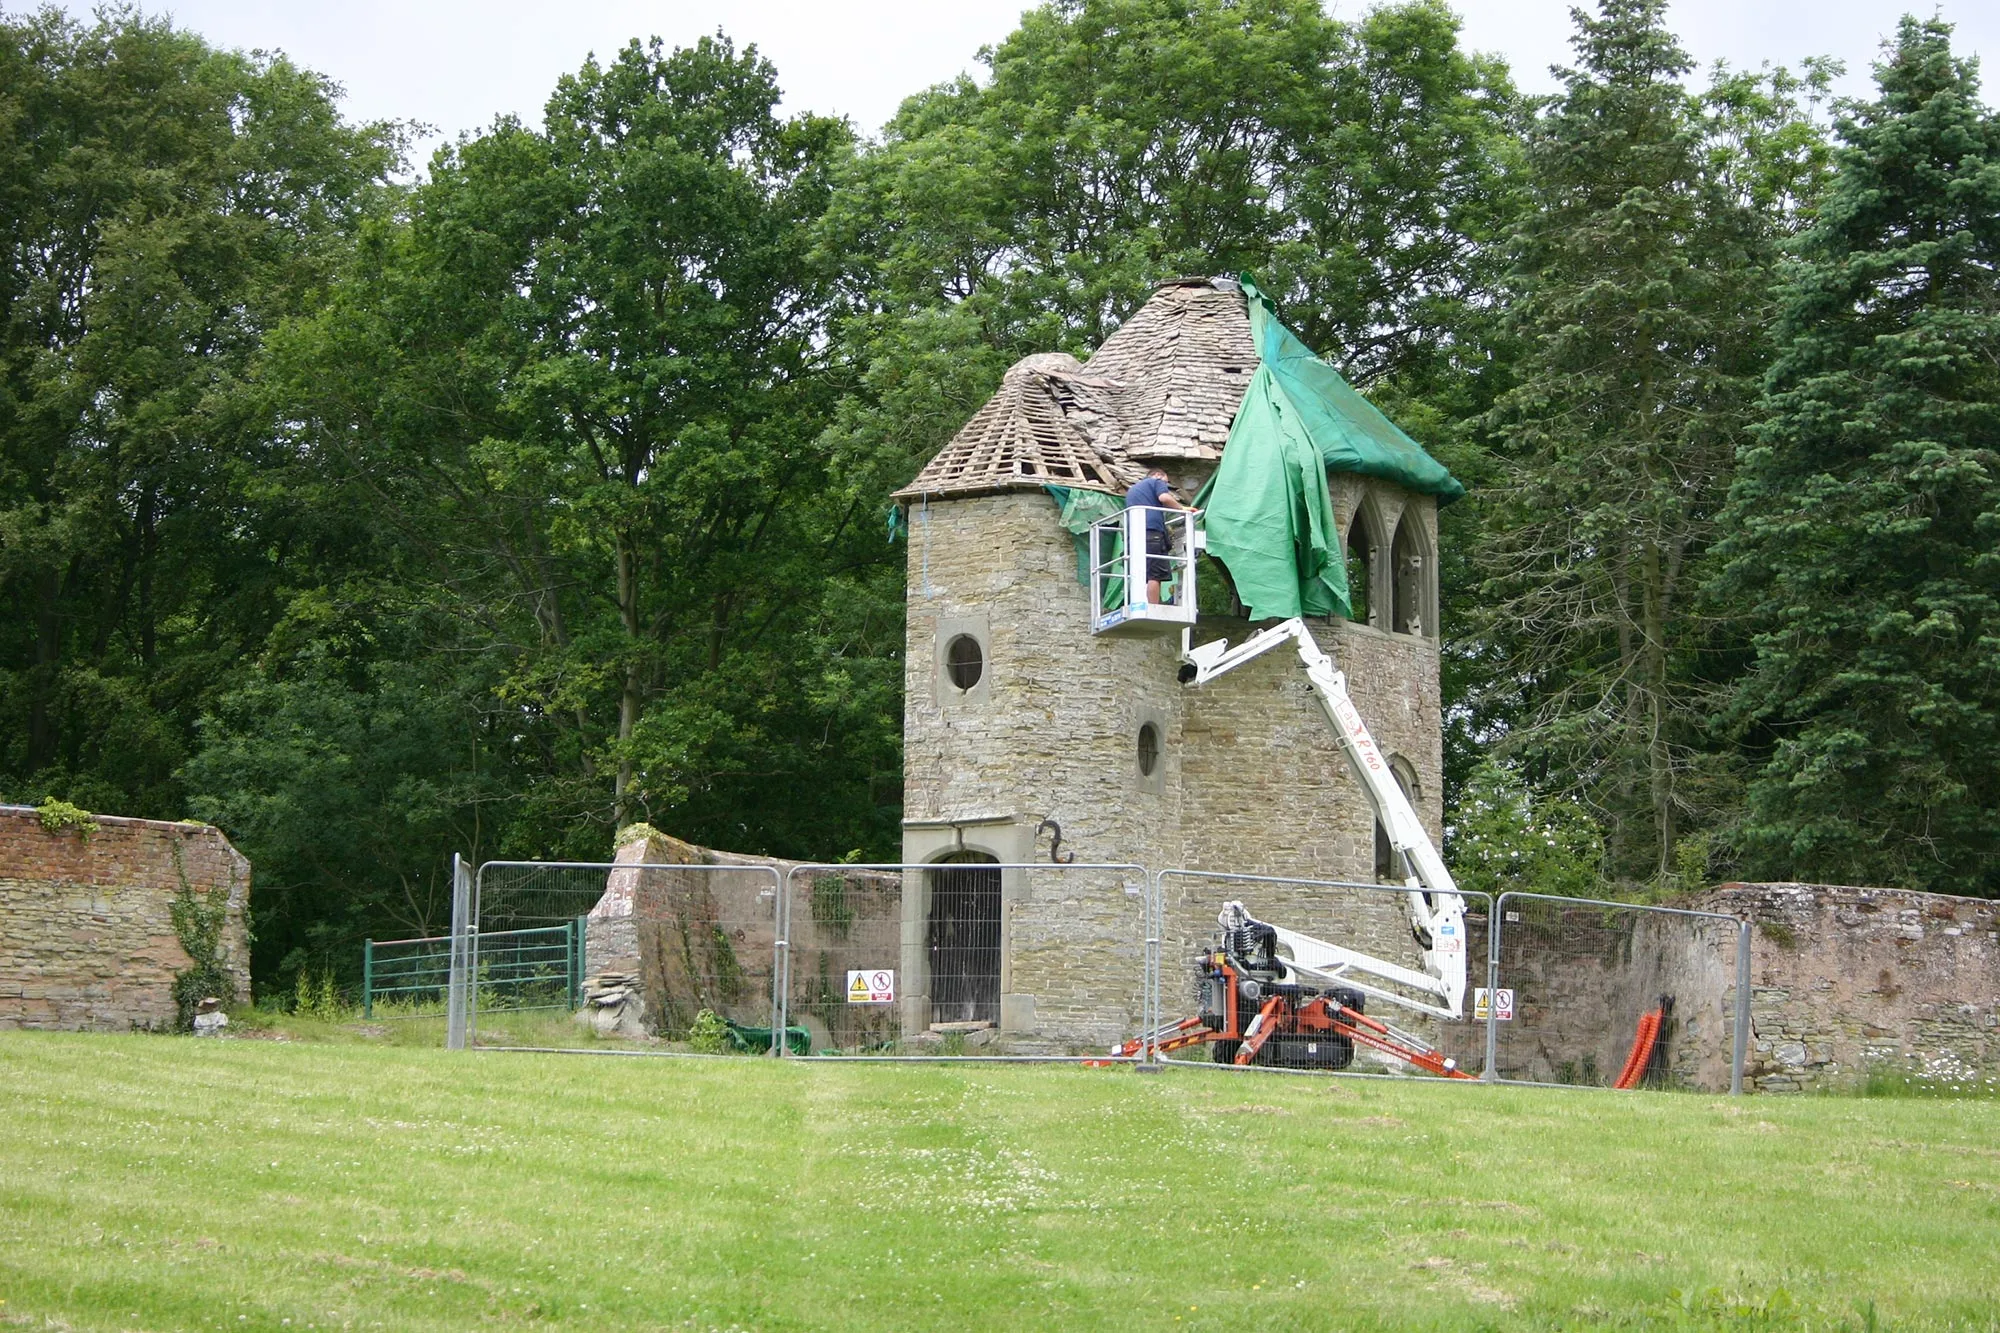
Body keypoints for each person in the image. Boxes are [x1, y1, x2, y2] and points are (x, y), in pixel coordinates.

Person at [1124, 467, 1190, 604]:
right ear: (1158, 475)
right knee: (1155, 575)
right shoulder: (1156, 481)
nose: (1165, 485)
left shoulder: (1133, 490)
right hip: (1152, 533)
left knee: (1142, 573)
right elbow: (1164, 497)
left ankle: (1141, 605)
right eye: (1166, 482)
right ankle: (1153, 607)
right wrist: (1182, 509)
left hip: (1134, 536)